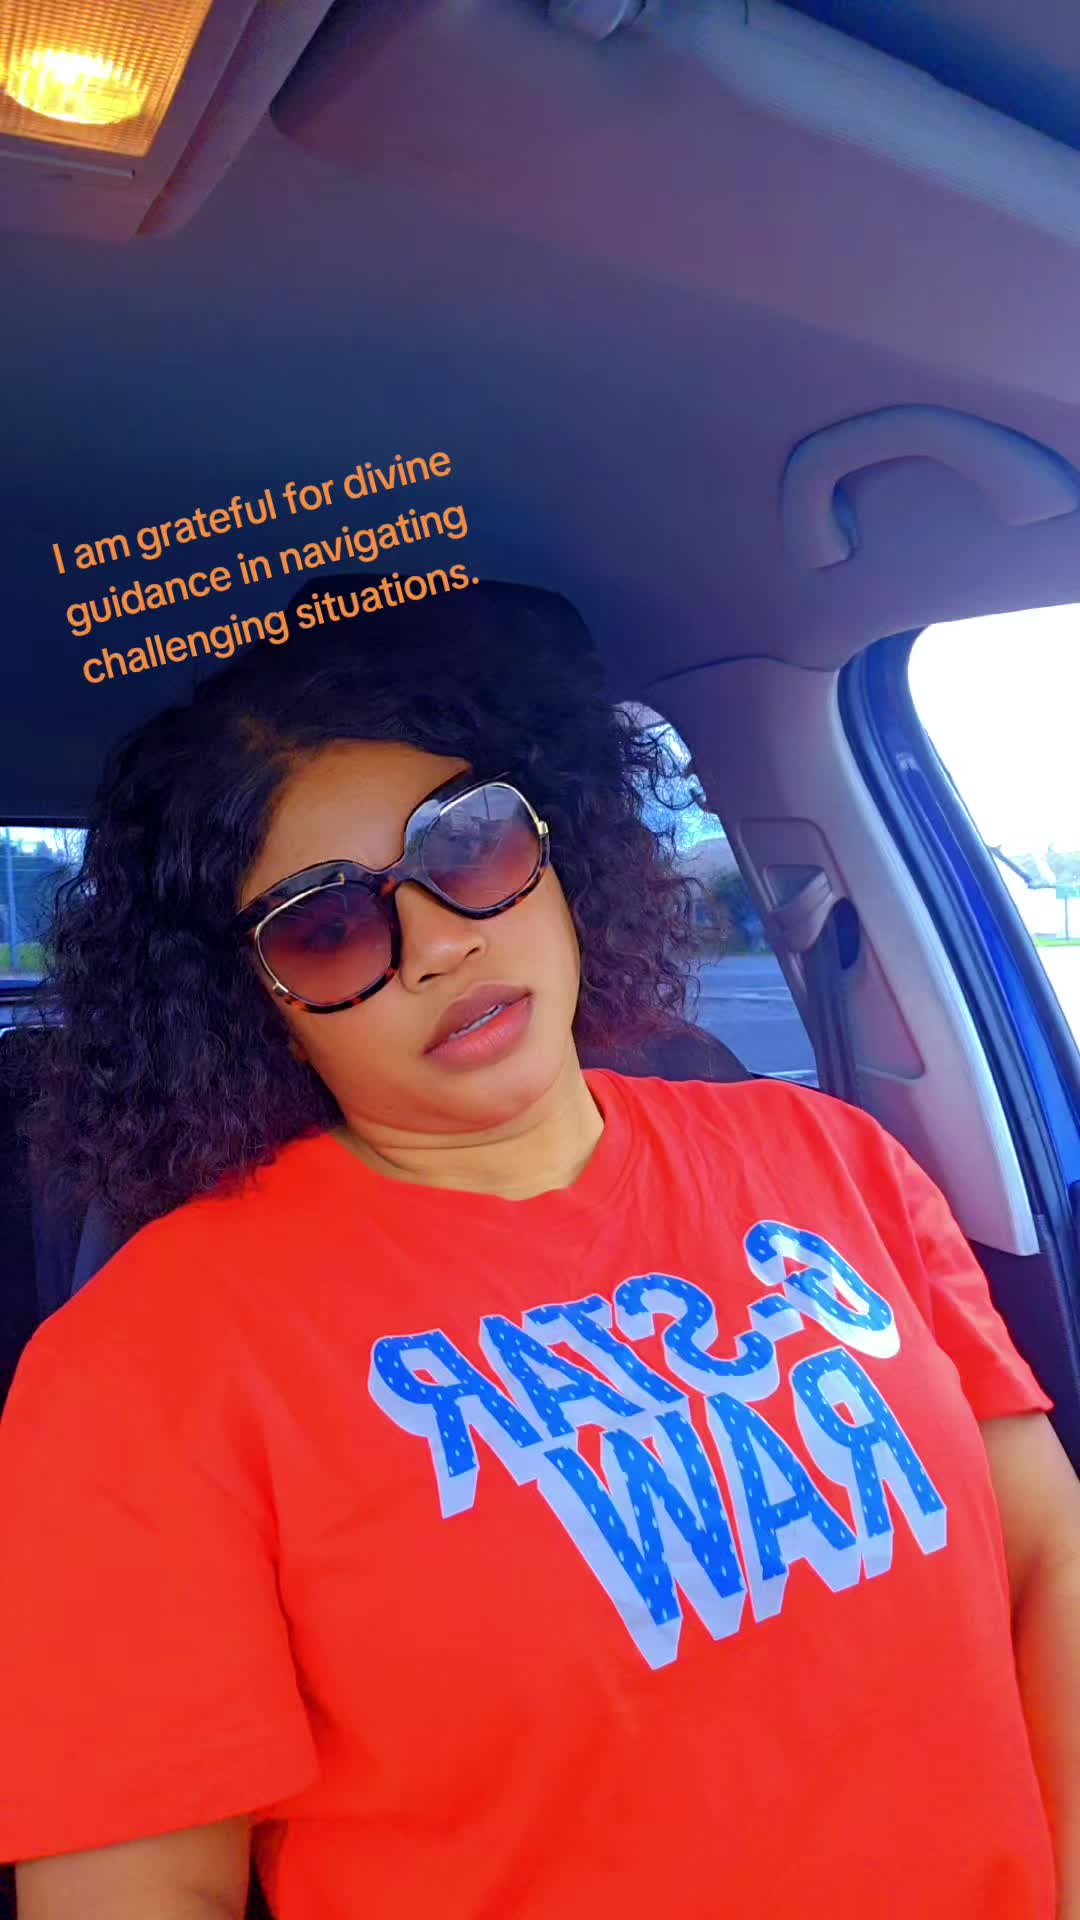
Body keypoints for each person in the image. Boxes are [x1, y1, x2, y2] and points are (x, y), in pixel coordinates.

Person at [0, 581, 1077, 1920]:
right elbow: (143, 1887)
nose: (440, 944)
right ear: (250, 1004)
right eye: (328, 927)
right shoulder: (143, 1363)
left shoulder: (832, 1156)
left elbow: (1049, 1560)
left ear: (556, 846)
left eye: (468, 848)